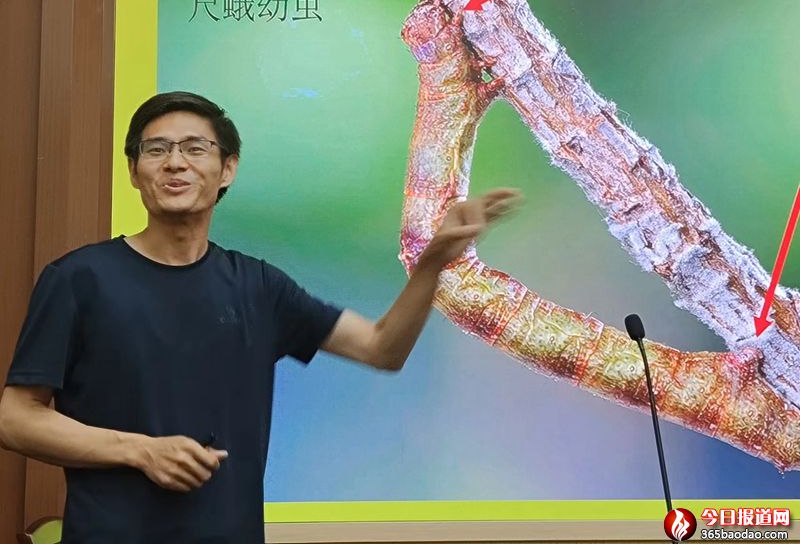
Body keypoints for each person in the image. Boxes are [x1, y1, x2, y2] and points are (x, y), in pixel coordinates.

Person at [0, 91, 520, 543]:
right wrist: (139, 451)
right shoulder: (78, 279)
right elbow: (16, 418)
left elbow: (382, 347)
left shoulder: (259, 287)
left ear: (227, 169)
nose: (175, 163)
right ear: (135, 171)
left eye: (195, 148)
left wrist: (434, 261)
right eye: (155, 150)